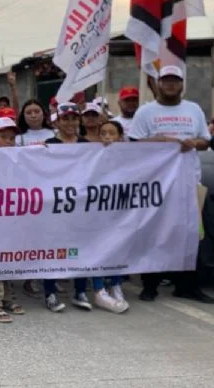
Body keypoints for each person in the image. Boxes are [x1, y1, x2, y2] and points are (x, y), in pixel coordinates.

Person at [130, 65, 214, 304]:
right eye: (166, 80)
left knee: (190, 235)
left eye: (175, 80)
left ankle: (187, 285)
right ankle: (150, 285)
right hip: (157, 185)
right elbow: (133, 144)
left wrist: (194, 143)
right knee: (155, 233)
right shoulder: (146, 112)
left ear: (182, 84)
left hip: (189, 183)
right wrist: (158, 141)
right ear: (157, 83)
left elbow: (205, 141)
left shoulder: (194, 109)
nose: (170, 84)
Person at [41, 102, 90, 313]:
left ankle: (80, 291)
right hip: (55, 205)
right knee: (52, 249)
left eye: (74, 118)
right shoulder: (48, 144)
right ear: (57, 121)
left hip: (80, 206)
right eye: (65, 119)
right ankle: (49, 292)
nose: (70, 123)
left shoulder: (87, 144)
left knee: (83, 247)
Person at [0, 116, 25, 324]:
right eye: (3, 137)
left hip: (11, 215)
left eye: (11, 138)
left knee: (9, 256)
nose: (8, 141)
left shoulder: (19, 158)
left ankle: (8, 297)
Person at [92, 120, 130, 314]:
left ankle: (116, 285)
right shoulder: (91, 156)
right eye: (103, 133)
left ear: (120, 136)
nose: (107, 137)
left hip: (118, 210)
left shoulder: (128, 158)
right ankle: (99, 289)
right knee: (98, 247)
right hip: (97, 211)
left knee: (116, 247)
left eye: (112, 133)